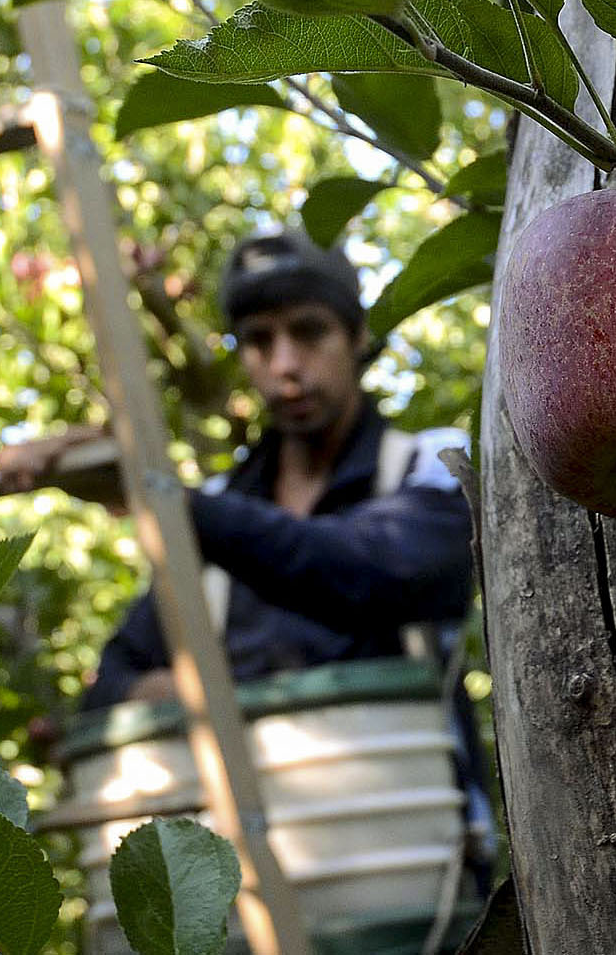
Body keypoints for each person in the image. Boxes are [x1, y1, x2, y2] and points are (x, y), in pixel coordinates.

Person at [79, 229, 477, 709]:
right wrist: (156, 692)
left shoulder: (436, 464)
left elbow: (372, 571)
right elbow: (113, 678)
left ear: (358, 336)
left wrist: (175, 503)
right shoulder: (224, 498)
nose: (285, 364)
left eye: (309, 330)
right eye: (258, 341)